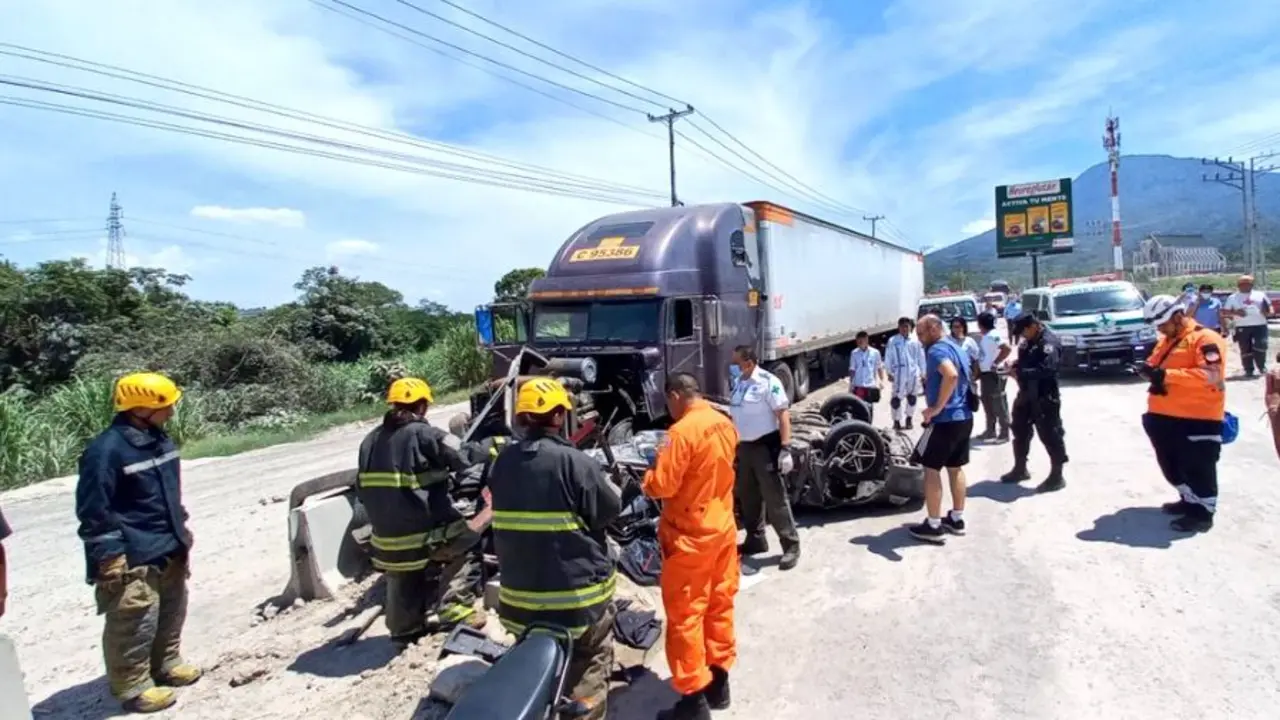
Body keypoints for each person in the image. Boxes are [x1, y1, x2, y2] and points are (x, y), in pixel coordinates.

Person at [488, 378, 620, 719]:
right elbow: (608, 511)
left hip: (518, 602)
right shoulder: (575, 462)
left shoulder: (501, 462)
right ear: (559, 415)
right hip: (576, 603)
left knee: (536, 666)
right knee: (591, 655)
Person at [75, 372, 200, 714]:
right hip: (132, 551)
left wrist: (181, 531)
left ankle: (167, 663)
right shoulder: (106, 451)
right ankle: (133, 686)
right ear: (141, 408)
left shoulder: (159, 440)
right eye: (166, 405)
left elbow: (169, 494)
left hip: (168, 543)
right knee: (134, 619)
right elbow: (94, 510)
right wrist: (108, 556)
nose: (172, 411)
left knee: (171, 609)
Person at [356, 377, 485, 646]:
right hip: (423, 535)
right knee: (469, 541)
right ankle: (454, 609)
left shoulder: (369, 441)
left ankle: (404, 629)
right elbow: (464, 454)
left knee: (403, 572)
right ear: (423, 406)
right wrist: (496, 446)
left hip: (386, 540)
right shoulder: (426, 434)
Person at [642, 373, 740, 720]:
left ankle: (694, 701)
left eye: (668, 402)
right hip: (723, 528)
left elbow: (662, 486)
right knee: (719, 604)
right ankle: (719, 684)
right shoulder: (722, 422)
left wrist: (648, 475)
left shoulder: (680, 433)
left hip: (690, 537)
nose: (669, 409)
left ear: (675, 395)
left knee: (685, 617)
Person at [1137, 296, 1229, 533]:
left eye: (1162, 324)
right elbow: (1157, 364)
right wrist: (1147, 370)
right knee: (1172, 465)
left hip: (1197, 417)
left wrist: (1166, 376)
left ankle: (1203, 513)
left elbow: (1212, 375)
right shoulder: (1167, 340)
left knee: (1198, 466)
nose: (1160, 330)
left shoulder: (1205, 339)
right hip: (1164, 415)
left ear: (1178, 317)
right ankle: (1189, 500)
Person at [729, 346, 801, 570]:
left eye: (737, 362)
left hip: (764, 447)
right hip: (744, 448)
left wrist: (785, 448)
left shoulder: (768, 382)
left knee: (775, 498)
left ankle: (791, 545)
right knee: (748, 495)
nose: (734, 366)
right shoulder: (740, 382)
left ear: (749, 362)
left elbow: (783, 415)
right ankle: (756, 539)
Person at [907, 315, 976, 544]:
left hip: (946, 420)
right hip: (964, 417)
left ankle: (934, 524)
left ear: (935, 329)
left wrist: (936, 407)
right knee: (955, 467)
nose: (919, 339)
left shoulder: (936, 350)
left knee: (930, 468)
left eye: (921, 333)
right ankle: (956, 518)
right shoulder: (956, 347)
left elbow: (951, 375)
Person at [1001, 313, 1069, 492]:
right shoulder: (1027, 342)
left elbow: (1046, 369)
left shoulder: (1049, 343)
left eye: (1024, 331)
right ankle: (1020, 469)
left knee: (1050, 434)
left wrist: (1021, 373)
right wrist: (1015, 366)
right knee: (1019, 430)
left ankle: (1057, 476)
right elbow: (1025, 362)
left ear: (1033, 326)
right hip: (1025, 394)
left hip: (1044, 396)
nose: (1022, 336)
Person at [1222, 274, 1271, 377]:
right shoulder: (1233, 297)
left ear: (1252, 284)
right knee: (1245, 348)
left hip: (1260, 325)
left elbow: (1270, 309)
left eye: (1248, 284)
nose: (1246, 286)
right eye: (1243, 284)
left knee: (1261, 344)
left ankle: (1261, 366)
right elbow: (1225, 312)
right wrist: (1236, 313)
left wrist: (1267, 312)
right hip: (1242, 326)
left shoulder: (1260, 295)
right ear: (1239, 285)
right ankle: (1248, 369)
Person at [974, 312, 1012, 442]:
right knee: (987, 402)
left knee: (998, 403)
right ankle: (990, 430)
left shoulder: (993, 335)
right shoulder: (986, 336)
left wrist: (995, 363)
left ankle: (1004, 432)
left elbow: (1006, 348)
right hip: (985, 374)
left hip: (994, 374)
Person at [885, 317, 926, 430]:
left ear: (910, 327)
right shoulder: (893, 341)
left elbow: (921, 358)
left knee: (912, 398)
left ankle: (909, 418)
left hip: (912, 373)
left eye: (906, 326)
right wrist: (889, 371)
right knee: (896, 400)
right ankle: (896, 420)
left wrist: (923, 373)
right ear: (898, 327)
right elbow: (888, 357)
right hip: (899, 373)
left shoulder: (915, 341)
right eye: (902, 326)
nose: (904, 328)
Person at [848, 331, 886, 423]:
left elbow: (879, 367)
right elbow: (852, 369)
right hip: (859, 386)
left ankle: (868, 429)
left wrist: (882, 380)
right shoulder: (854, 353)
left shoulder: (875, 352)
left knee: (869, 409)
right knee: (857, 409)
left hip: (870, 386)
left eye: (861, 341)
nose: (859, 343)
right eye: (858, 342)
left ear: (866, 340)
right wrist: (851, 384)